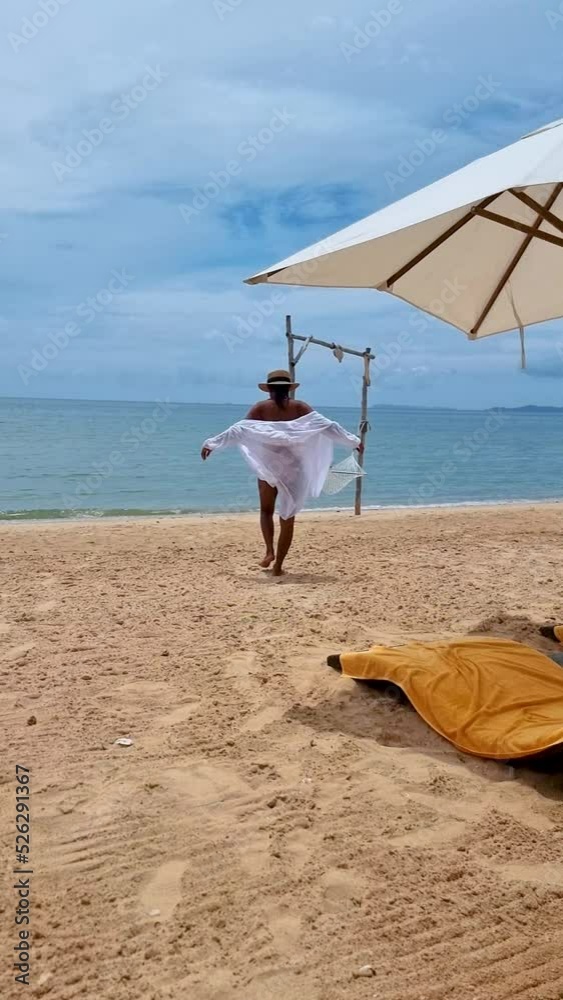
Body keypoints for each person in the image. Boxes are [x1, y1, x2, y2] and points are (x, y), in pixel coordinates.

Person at [201, 369, 363, 575]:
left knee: (266, 511)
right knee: (288, 518)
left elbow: (238, 430)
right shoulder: (300, 407)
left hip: (269, 468)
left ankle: (269, 552)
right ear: (289, 389)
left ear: (268, 389)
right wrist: (354, 442)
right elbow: (328, 426)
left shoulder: (260, 408)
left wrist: (211, 444)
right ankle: (278, 566)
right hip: (294, 469)